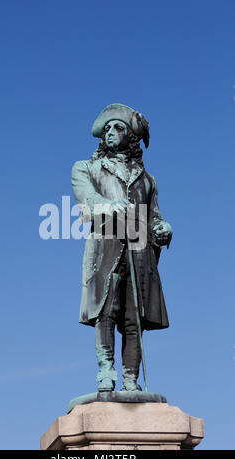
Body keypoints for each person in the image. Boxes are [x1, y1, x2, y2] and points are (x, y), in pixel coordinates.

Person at [71, 103, 172, 392]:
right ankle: (106, 371)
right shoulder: (87, 168)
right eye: (107, 128)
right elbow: (86, 200)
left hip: (140, 255)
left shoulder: (147, 180)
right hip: (106, 251)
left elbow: (154, 215)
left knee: (134, 320)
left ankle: (131, 379)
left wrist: (162, 228)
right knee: (107, 311)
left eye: (118, 127)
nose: (110, 132)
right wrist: (110, 206)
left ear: (130, 136)